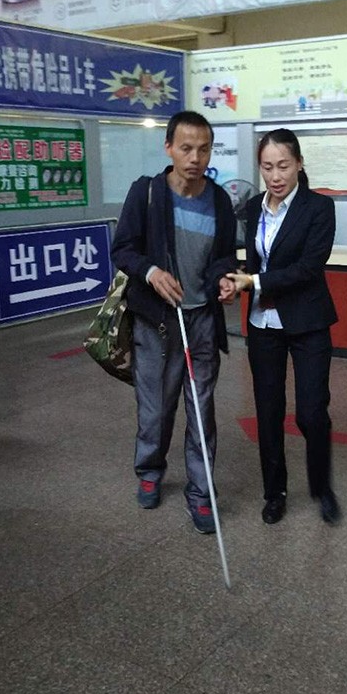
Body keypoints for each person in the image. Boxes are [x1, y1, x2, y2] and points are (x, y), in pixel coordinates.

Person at [111, 111, 237, 534]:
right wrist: (151, 272)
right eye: (186, 148)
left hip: (202, 320)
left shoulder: (219, 200)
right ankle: (149, 470)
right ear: (168, 148)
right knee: (156, 407)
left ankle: (201, 493)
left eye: (203, 149)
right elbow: (123, 249)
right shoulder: (146, 193)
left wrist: (223, 279)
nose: (195, 158)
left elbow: (223, 256)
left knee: (201, 410)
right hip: (157, 321)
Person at [226, 128, 340, 526]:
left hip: (308, 322)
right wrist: (235, 279)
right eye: (267, 167)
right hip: (263, 323)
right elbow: (257, 260)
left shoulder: (319, 208)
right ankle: (274, 493)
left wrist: (253, 282)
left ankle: (322, 487)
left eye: (283, 166)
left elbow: (309, 268)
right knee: (268, 411)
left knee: (311, 412)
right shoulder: (254, 207)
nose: (275, 176)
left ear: (299, 164)